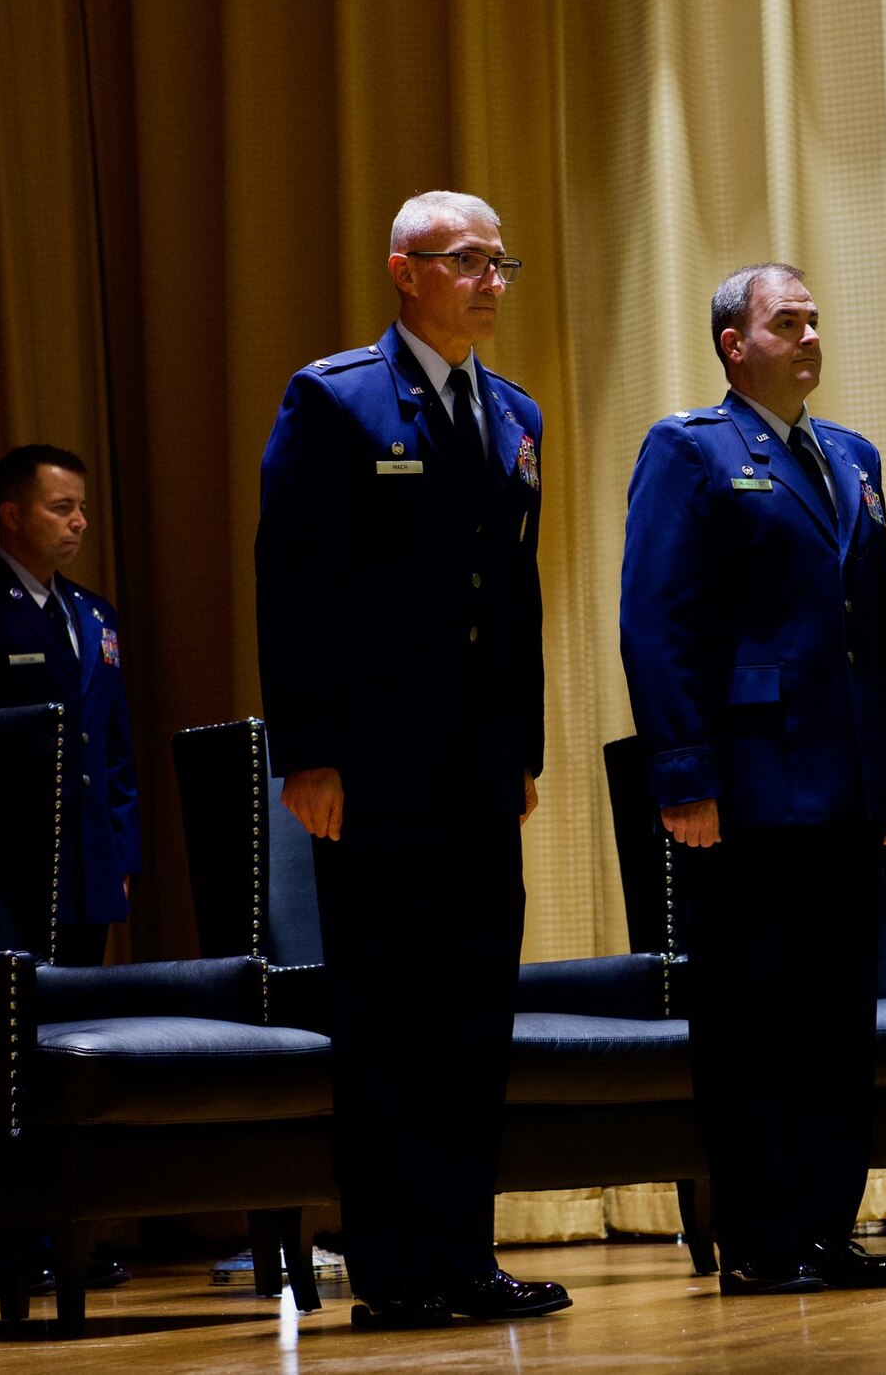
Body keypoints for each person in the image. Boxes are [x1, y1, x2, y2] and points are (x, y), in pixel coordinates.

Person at [255, 190, 566, 1330]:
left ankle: (463, 1256)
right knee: (386, 1016)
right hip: (374, 769)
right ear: (404, 271)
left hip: (479, 767)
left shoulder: (516, 413)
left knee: (473, 1014)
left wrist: (521, 746)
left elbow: (514, 596)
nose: (489, 278)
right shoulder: (335, 402)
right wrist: (311, 754)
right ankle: (392, 1267)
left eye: (499, 260)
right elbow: (293, 589)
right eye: (465, 260)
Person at [619, 264, 886, 1296]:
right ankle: (757, 1237)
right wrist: (681, 773)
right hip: (743, 787)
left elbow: (871, 633)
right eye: (785, 321)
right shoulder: (690, 449)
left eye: (814, 319)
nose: (808, 335)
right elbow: (657, 624)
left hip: (842, 787)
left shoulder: (849, 456)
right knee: (747, 1020)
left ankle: (825, 1230)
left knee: (838, 1020)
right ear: (732, 345)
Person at [0, 442, 139, 1293]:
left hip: (84, 869)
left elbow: (113, 753)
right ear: (11, 514)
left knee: (70, 1052)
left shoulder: (95, 616)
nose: (77, 521)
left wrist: (122, 855)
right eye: (59, 507)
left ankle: (62, 1230)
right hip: (3, 871)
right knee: (3, 1057)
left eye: (81, 507)